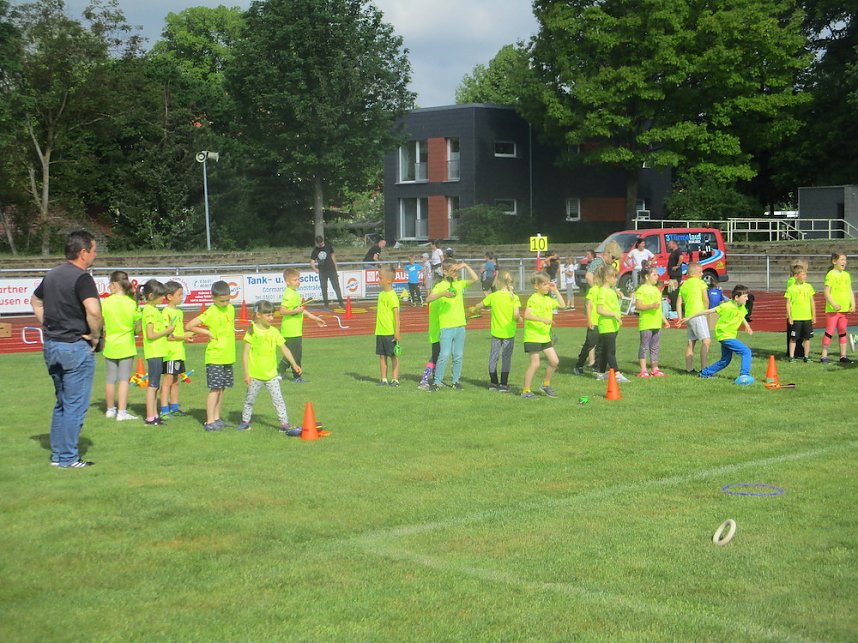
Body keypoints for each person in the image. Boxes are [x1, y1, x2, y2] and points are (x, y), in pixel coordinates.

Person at [32, 230, 103, 468]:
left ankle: (57, 455)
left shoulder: (52, 275)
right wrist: (94, 336)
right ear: (83, 252)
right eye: (93, 251)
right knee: (75, 405)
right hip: (74, 346)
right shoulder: (82, 278)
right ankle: (69, 458)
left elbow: (35, 301)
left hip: (52, 345)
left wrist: (49, 324)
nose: (95, 255)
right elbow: (93, 310)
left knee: (61, 402)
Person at [237, 301, 302, 433]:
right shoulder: (252, 330)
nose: (271, 318)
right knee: (249, 400)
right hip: (255, 375)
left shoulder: (274, 332)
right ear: (259, 315)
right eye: (268, 315)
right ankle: (245, 422)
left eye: (273, 315)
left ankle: (284, 424)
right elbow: (245, 353)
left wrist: (294, 364)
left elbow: (284, 348)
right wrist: (246, 373)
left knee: (278, 400)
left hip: (272, 375)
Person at [185, 281, 236, 431]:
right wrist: (206, 332)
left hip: (228, 355)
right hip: (215, 356)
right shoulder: (211, 312)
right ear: (213, 298)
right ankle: (209, 421)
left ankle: (217, 418)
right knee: (215, 388)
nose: (225, 303)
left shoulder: (231, 309)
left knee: (222, 388)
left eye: (227, 300)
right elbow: (189, 326)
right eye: (222, 301)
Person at [681, 284, 755, 385]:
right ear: (737, 297)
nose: (747, 299)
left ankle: (704, 373)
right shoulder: (726, 306)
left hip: (730, 336)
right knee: (746, 351)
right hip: (725, 336)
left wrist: (747, 326)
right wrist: (689, 317)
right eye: (745, 296)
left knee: (725, 361)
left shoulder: (741, 308)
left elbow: (741, 316)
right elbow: (708, 311)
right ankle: (744, 376)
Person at [425, 259, 479, 390]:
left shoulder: (459, 284)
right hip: (447, 326)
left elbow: (475, 279)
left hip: (460, 325)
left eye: (457, 270)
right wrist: (443, 294)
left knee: (458, 355)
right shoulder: (440, 286)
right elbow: (428, 299)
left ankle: (456, 381)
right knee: (444, 355)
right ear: (445, 272)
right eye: (453, 271)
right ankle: (437, 382)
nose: (456, 273)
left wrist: (465, 265)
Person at [469, 270, 521, 391]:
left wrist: (473, 309)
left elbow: (480, 305)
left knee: (494, 357)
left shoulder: (493, 296)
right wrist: (519, 319)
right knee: (506, 358)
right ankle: (503, 384)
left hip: (496, 333)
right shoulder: (514, 297)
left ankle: (493, 383)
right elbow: (516, 315)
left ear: (498, 282)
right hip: (509, 333)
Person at [101, 270, 141, 422]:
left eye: (110, 283)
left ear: (116, 284)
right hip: (126, 345)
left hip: (111, 343)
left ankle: (110, 409)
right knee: (124, 379)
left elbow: (101, 322)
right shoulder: (132, 304)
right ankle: (122, 412)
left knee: (110, 379)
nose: (109, 286)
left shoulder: (105, 302)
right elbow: (138, 328)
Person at [278, 267, 327, 382]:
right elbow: (282, 311)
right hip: (290, 330)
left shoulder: (295, 294)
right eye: (295, 280)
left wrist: (315, 318)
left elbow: (301, 310)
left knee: (296, 354)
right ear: (287, 282)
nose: (298, 282)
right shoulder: (289, 294)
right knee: (293, 354)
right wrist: (295, 311)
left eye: (298, 279)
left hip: (296, 330)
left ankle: (294, 375)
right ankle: (282, 372)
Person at [521, 273, 565, 398]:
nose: (547, 286)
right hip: (533, 336)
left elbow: (562, 305)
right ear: (536, 286)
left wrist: (555, 290)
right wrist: (542, 320)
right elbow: (527, 315)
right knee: (535, 363)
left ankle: (545, 385)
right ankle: (526, 391)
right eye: (544, 284)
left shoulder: (548, 299)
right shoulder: (533, 299)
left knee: (554, 361)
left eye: (548, 283)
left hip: (544, 337)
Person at [139, 279, 174, 426]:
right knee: (153, 385)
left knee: (155, 385)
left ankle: (154, 415)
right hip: (153, 352)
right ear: (152, 295)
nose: (163, 298)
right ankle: (150, 417)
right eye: (161, 296)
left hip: (158, 351)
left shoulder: (154, 310)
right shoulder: (149, 311)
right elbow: (150, 335)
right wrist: (167, 330)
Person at [160, 281, 190, 417]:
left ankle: (175, 407)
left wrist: (187, 336)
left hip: (179, 353)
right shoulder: (166, 312)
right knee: (167, 381)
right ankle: (164, 409)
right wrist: (184, 337)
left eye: (182, 294)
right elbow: (169, 336)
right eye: (179, 294)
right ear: (169, 296)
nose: (181, 297)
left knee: (176, 381)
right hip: (170, 353)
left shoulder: (179, 312)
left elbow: (178, 333)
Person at [634, 266, 670, 377]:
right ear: (647, 276)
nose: (657, 276)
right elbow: (638, 306)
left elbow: (659, 309)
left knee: (655, 346)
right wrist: (651, 306)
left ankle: (655, 369)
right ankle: (643, 370)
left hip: (656, 323)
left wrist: (665, 321)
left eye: (657, 274)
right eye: (654, 274)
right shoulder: (641, 290)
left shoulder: (656, 290)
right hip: (646, 323)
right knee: (644, 346)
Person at [596, 266, 630, 382]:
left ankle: (600, 373)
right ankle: (616, 373)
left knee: (606, 350)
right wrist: (613, 315)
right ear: (607, 277)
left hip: (613, 325)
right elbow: (599, 310)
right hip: (606, 326)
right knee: (611, 351)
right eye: (614, 277)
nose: (616, 279)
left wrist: (619, 312)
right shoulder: (602, 291)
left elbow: (613, 305)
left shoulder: (611, 290)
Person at [820, 252, 854, 364]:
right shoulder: (830, 275)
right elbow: (826, 292)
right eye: (842, 259)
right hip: (833, 310)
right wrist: (833, 304)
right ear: (834, 261)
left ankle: (843, 356)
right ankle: (824, 356)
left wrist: (852, 304)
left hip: (844, 310)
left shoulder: (846, 275)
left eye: (845, 260)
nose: (844, 262)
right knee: (829, 331)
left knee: (843, 331)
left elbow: (850, 291)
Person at [676, 262, 711, 374]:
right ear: (694, 273)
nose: (702, 274)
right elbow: (706, 299)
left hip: (688, 316)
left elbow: (678, 302)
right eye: (700, 272)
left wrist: (680, 318)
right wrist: (705, 312)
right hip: (698, 314)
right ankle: (704, 370)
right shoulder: (701, 283)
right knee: (706, 340)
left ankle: (689, 369)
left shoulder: (684, 285)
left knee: (691, 342)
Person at [572, 264, 603, 375]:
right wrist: (589, 320)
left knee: (600, 345)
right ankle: (579, 365)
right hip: (594, 321)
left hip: (602, 322)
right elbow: (588, 306)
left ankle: (597, 366)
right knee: (590, 344)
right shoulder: (593, 290)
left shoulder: (603, 290)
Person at [375, 265, 402, 386]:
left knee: (393, 356)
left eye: (380, 277)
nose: (378, 280)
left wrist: (397, 332)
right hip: (380, 331)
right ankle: (383, 379)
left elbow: (397, 315)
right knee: (382, 355)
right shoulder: (381, 295)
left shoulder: (392, 296)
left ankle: (395, 379)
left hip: (390, 331)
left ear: (389, 280)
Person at [785, 264, 816, 363]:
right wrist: (790, 316)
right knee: (793, 338)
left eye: (805, 274)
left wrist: (813, 315)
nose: (804, 276)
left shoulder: (809, 287)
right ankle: (791, 356)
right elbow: (788, 303)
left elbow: (812, 302)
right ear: (796, 276)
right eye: (802, 275)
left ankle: (806, 356)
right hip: (796, 317)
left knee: (807, 338)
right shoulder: (791, 288)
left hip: (807, 317)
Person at [310, 235, 345, 308]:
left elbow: (332, 255)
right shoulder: (315, 250)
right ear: (317, 243)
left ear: (323, 241)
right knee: (324, 287)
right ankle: (326, 304)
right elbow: (312, 260)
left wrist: (335, 265)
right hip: (322, 271)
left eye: (321, 242)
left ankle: (341, 303)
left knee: (336, 286)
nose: (321, 244)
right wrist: (314, 268)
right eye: (319, 243)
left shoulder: (328, 246)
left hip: (331, 269)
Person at [666, 239, 685, 312]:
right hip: (672, 274)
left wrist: (677, 266)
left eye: (669, 244)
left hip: (676, 275)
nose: (668, 245)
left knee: (674, 291)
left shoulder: (678, 251)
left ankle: (676, 308)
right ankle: (674, 306)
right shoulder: (673, 252)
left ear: (674, 244)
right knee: (672, 291)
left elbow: (681, 258)